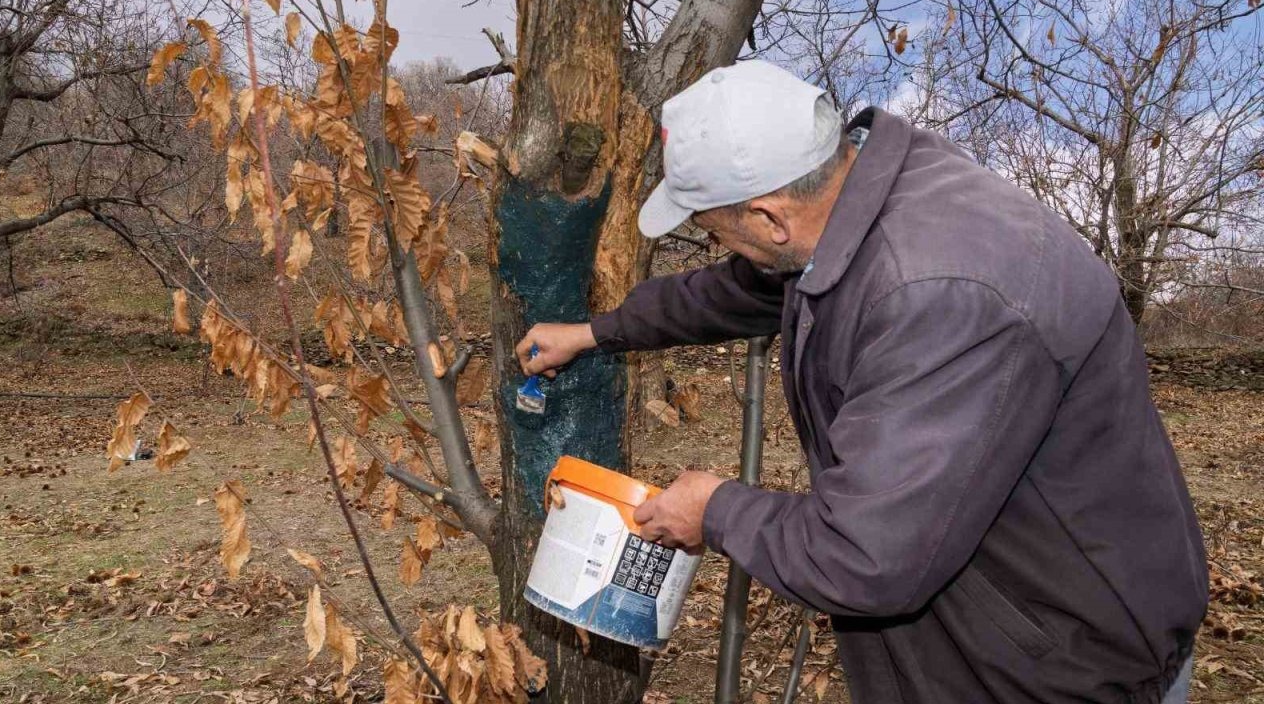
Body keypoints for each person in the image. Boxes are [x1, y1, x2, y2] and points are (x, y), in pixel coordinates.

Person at [516, 61, 1207, 704]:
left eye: (714, 227)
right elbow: (743, 289)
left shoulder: (937, 297)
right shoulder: (863, 200)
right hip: (999, 616)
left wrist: (716, 510)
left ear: (768, 216)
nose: (718, 244)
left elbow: (866, 554)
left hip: (1057, 663)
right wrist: (597, 332)